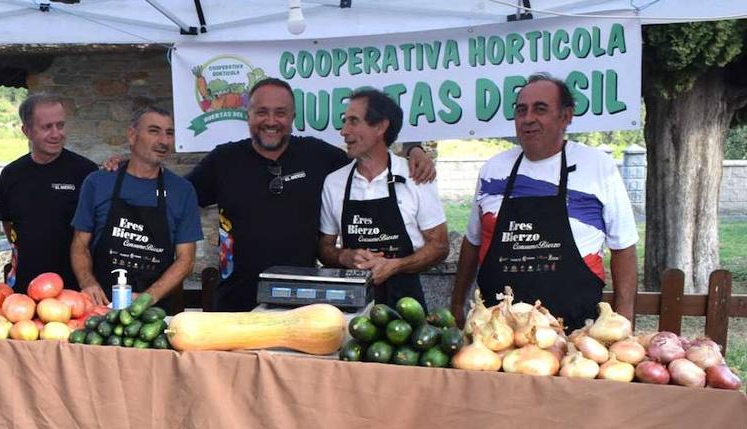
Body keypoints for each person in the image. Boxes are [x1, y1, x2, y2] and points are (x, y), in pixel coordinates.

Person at [187, 78, 436, 312]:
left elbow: (371, 157)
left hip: (302, 306)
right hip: (235, 303)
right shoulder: (222, 161)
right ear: (248, 115)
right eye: (262, 112)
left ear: (293, 117)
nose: (271, 121)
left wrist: (414, 149)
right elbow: (179, 200)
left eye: (280, 113)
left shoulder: (318, 156)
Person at [452, 74, 638, 331]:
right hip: (498, 335)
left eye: (540, 109)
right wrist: (457, 303)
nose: (528, 118)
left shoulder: (598, 167)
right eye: (521, 110)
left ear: (566, 116)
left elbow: (623, 247)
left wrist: (624, 317)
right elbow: (472, 242)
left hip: (576, 333)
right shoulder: (493, 170)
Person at [318, 88, 448, 308]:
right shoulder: (334, 182)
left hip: (407, 308)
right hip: (352, 305)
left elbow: (440, 246)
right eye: (345, 121)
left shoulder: (415, 175)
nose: (344, 131)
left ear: (380, 126)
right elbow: (324, 247)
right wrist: (344, 257)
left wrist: (396, 265)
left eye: (353, 121)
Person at [70, 106, 202, 310]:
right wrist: (87, 283)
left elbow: (186, 259)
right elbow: (80, 244)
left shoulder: (182, 190)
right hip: (101, 306)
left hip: (156, 312)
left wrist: (148, 297)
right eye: (154, 131)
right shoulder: (98, 183)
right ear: (132, 135)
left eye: (169, 133)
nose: (164, 141)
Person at [0, 93, 98, 291]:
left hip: (75, 287)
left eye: (60, 125)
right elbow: (8, 225)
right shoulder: (11, 174)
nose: (56, 134)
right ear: (27, 131)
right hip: (26, 285)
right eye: (46, 127)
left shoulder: (86, 172)